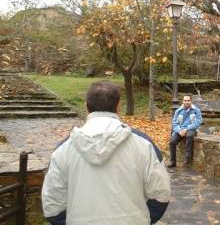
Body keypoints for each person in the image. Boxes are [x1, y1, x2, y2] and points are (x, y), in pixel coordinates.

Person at [42, 81, 171, 225]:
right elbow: (161, 194)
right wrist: (142, 219)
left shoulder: (63, 150)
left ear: (86, 106)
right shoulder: (144, 145)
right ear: (118, 106)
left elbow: (52, 206)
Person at [167, 95, 202, 168]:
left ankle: (187, 157)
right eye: (185, 100)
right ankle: (173, 161)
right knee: (172, 142)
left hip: (191, 129)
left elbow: (198, 122)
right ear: (183, 101)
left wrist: (187, 128)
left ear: (191, 101)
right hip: (180, 130)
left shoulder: (196, 110)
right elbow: (174, 123)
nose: (186, 102)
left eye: (188, 100)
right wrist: (179, 131)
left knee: (189, 136)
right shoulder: (178, 111)